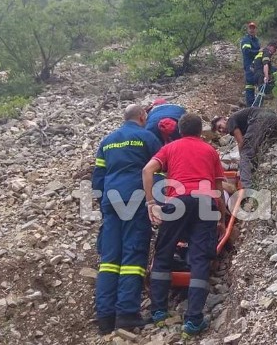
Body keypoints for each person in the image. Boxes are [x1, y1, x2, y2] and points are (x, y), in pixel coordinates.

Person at [142, 113, 227, 339]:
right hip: (205, 202)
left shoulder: (170, 148)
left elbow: (147, 170)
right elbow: (218, 189)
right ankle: (193, 320)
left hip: (177, 201)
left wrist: (151, 202)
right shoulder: (210, 151)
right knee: (200, 258)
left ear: (180, 130)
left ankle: (159, 311)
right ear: (200, 131)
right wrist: (219, 218)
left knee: (163, 252)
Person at [91, 104, 162, 334]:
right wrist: (158, 204)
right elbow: (157, 173)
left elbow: (98, 178)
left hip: (111, 202)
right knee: (133, 255)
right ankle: (127, 314)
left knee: (110, 258)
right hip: (136, 198)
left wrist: (103, 206)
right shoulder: (147, 137)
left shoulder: (107, 141)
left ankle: (105, 318)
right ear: (143, 117)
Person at [211, 108, 277, 189]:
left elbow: (241, 142)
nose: (221, 130)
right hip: (275, 120)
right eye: (219, 130)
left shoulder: (230, 121)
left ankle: (246, 188)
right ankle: (253, 170)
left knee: (245, 154)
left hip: (260, 120)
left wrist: (242, 159)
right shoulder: (239, 119)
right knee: (253, 149)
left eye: (220, 126)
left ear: (224, 119)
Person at [240, 22, 261, 107]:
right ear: (248, 29)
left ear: (256, 30)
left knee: (256, 83)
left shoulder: (256, 40)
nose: (252, 30)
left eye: (253, 28)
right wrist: (258, 52)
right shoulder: (246, 40)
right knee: (250, 84)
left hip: (256, 65)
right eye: (250, 28)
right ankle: (250, 106)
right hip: (249, 64)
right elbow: (246, 51)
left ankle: (255, 105)